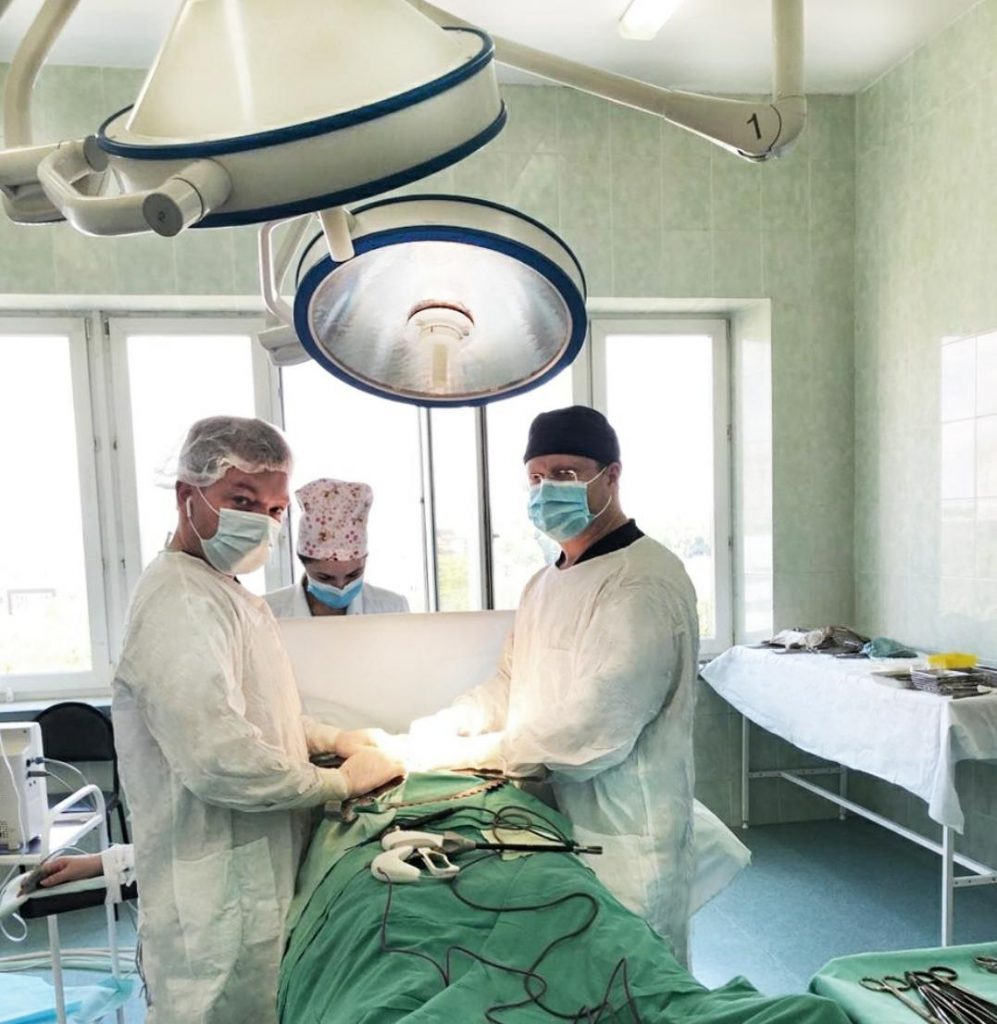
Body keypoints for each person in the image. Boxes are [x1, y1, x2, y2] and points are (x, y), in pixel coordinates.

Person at [111, 416, 403, 1024]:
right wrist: (337, 781)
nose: (260, 521)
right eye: (242, 501)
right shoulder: (179, 601)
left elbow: (263, 713)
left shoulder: (226, 593)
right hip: (217, 901)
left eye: (273, 509)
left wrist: (329, 738)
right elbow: (222, 761)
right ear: (187, 495)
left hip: (251, 878)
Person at [407, 405, 699, 964]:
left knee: (634, 980)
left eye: (565, 473)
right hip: (552, 820)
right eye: (536, 477)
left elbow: (592, 727)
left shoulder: (643, 581)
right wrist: (444, 728)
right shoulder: (544, 583)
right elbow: (510, 683)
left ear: (611, 476)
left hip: (625, 835)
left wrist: (472, 756)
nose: (547, 490)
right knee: (566, 978)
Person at [265, 478, 408, 619]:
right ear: (303, 563)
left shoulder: (392, 608)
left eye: (353, 574)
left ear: (365, 559)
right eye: (325, 577)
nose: (340, 588)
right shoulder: (267, 613)